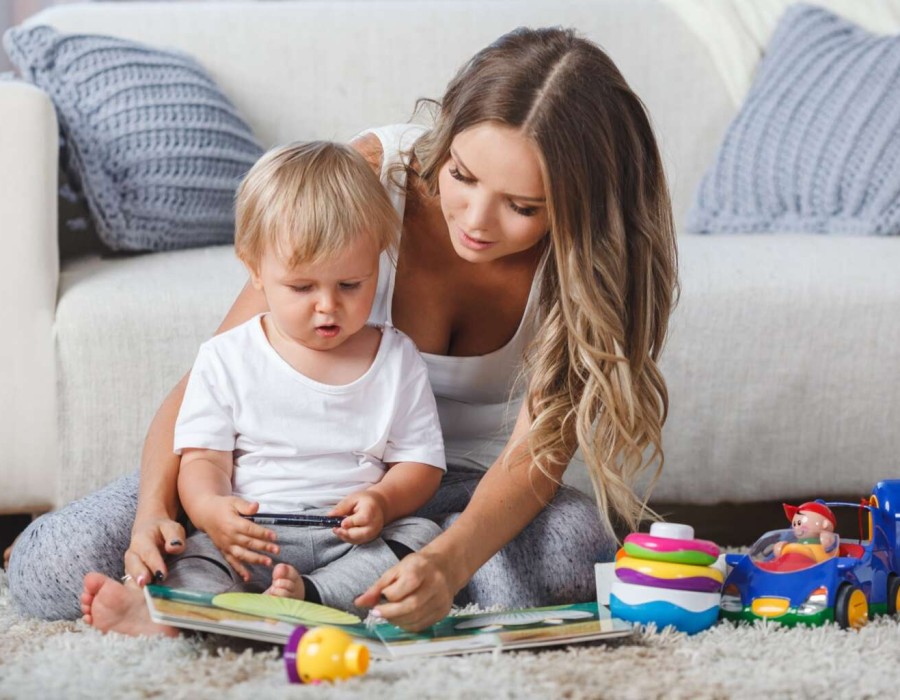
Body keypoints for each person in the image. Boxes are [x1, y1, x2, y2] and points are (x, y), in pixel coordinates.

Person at [9, 26, 678, 631]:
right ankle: (340, 596)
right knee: (53, 569)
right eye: (462, 175)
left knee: (575, 549)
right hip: (269, 478)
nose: (476, 220)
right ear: (445, 138)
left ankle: (304, 596)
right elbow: (213, 376)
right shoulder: (365, 179)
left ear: (579, 207)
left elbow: (534, 457)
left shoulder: (589, 264)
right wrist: (157, 512)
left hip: (449, 490)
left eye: (522, 207)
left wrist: (447, 559)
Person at [87, 141, 447, 634]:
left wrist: (383, 501)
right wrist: (211, 510)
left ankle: (310, 598)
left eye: (350, 285)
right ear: (255, 269)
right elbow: (204, 459)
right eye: (302, 287)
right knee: (195, 552)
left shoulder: (397, 358)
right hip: (251, 537)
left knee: (422, 538)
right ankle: (173, 615)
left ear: (378, 264)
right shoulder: (226, 357)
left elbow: (420, 464)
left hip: (349, 539)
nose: (328, 306)